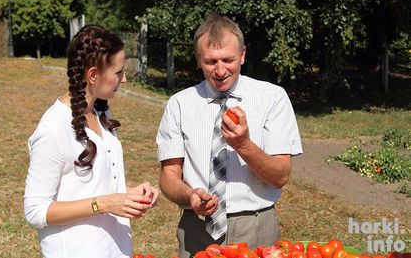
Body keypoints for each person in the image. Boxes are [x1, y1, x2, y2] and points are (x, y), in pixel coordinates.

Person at [156, 14, 302, 258]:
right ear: (198, 60)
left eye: (228, 60)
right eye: (211, 61)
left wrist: (244, 145)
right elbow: (168, 177)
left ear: (243, 55)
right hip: (197, 227)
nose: (221, 70)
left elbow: (281, 176)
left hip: (255, 228)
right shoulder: (179, 104)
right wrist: (190, 195)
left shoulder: (272, 98)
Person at [24, 25, 159, 258]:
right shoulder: (52, 129)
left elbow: (92, 184)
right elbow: (35, 211)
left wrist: (130, 195)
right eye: (118, 72)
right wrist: (103, 204)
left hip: (114, 249)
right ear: (93, 75)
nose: (124, 79)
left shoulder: (99, 113)